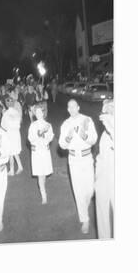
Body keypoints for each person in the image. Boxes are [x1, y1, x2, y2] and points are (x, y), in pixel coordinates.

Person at [59, 99, 98, 234]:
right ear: (68, 109)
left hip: (87, 158)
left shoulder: (87, 120)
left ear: (78, 107)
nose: (71, 109)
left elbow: (93, 139)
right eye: (69, 107)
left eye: (73, 106)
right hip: (74, 160)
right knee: (78, 190)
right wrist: (68, 137)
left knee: (90, 189)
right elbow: (62, 145)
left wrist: (84, 135)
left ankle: (84, 207)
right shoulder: (65, 124)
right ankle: (84, 219)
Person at [95, 99, 115, 239]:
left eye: (110, 109)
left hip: (115, 177)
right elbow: (101, 156)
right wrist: (97, 178)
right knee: (101, 212)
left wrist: (112, 127)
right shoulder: (104, 134)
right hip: (103, 176)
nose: (106, 111)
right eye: (105, 109)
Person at [28, 102, 54, 204]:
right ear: (35, 114)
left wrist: (46, 138)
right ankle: (44, 196)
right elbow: (30, 138)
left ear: (43, 113)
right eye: (37, 112)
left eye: (40, 112)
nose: (38, 114)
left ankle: (43, 187)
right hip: (37, 152)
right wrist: (38, 135)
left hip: (45, 151)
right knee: (40, 174)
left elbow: (51, 137)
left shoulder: (48, 125)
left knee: (44, 174)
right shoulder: (33, 125)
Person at [1, 98, 23, 175]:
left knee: (10, 152)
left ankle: (12, 170)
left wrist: (3, 114)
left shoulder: (6, 114)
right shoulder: (17, 113)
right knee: (15, 151)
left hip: (10, 134)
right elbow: (19, 122)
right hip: (16, 133)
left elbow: (3, 126)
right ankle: (19, 166)